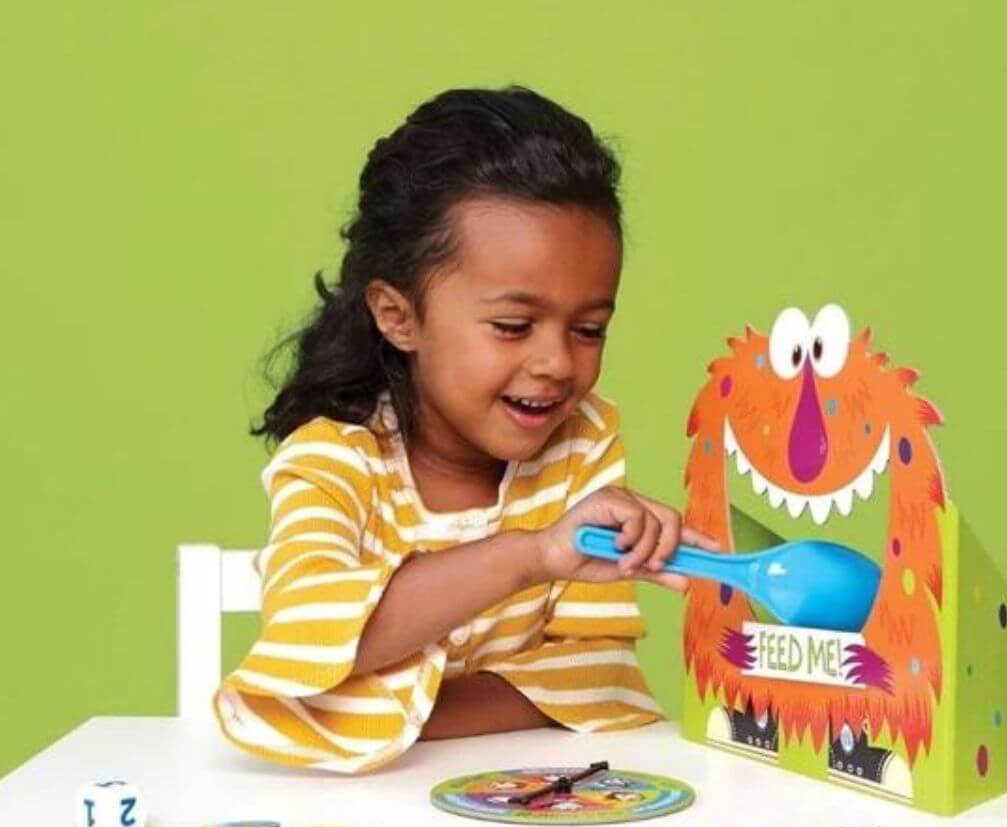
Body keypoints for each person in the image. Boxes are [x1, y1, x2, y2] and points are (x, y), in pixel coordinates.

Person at [215, 84, 717, 774]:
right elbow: (305, 634)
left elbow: (599, 678)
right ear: (399, 316)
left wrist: (377, 697)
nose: (556, 364)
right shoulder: (336, 458)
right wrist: (531, 555)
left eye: (589, 329)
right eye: (513, 327)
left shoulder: (581, 441)